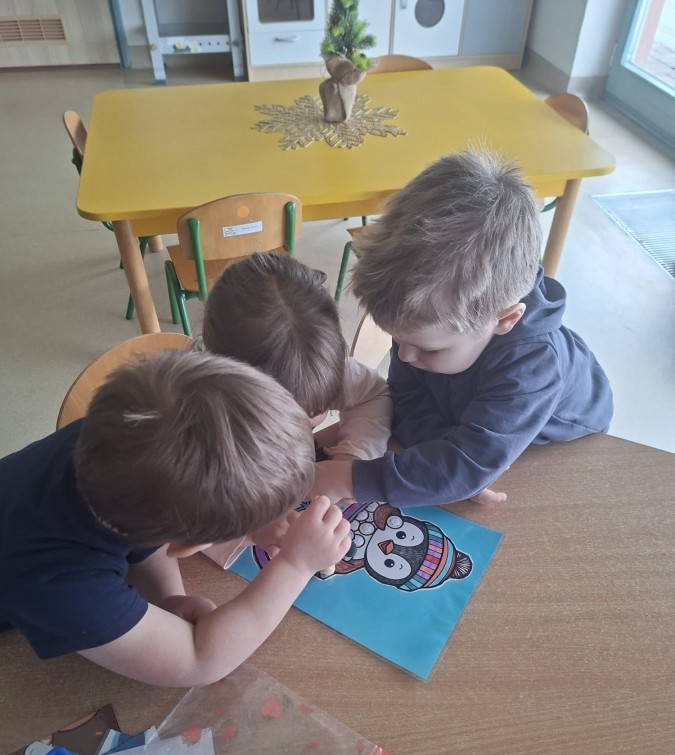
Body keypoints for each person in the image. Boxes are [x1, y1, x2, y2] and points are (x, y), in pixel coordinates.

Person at [0, 351, 351, 686]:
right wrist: (295, 565)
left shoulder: (114, 435)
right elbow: (199, 659)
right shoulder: (64, 584)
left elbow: (144, 529)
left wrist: (166, 598)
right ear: (186, 546)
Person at [312, 149, 613, 507]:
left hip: (566, 440)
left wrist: (351, 478)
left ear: (504, 320)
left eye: (428, 349)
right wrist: (448, 463)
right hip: (469, 410)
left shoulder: (533, 367)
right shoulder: (430, 328)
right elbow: (407, 402)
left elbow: (468, 465)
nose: (404, 356)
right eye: (397, 339)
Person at [202, 252, 392, 462]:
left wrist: (351, 456)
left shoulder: (322, 369)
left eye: (314, 412)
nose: (304, 423)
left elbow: (373, 396)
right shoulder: (207, 425)